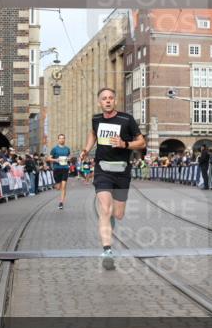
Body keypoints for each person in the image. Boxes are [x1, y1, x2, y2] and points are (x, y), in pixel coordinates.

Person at [81, 87, 145, 270]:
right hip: (102, 169)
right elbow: (93, 133)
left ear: (115, 101)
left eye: (110, 98)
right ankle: (107, 249)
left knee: (117, 214)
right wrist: (86, 150)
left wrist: (125, 144)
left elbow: (142, 142)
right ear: (99, 102)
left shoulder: (126, 119)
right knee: (105, 208)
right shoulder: (96, 119)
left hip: (122, 171)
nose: (107, 101)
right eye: (104, 98)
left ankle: (109, 226)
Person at [48, 133, 72, 209]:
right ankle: (56, 186)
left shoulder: (67, 149)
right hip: (57, 169)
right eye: (60, 138)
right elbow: (49, 158)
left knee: (64, 186)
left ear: (65, 139)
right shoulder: (54, 149)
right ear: (58, 140)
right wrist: (56, 160)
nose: (62, 139)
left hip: (65, 168)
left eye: (63, 138)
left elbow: (69, 157)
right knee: (58, 187)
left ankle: (61, 202)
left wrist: (69, 159)